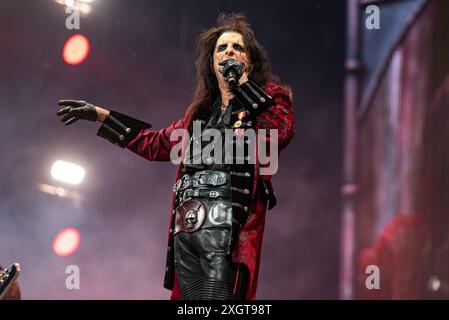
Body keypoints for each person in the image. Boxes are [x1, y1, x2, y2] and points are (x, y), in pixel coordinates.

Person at [56, 13, 294, 300]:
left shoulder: (268, 99)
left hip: (229, 236)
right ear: (212, 62)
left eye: (237, 48)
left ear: (250, 61)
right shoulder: (199, 116)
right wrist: (101, 116)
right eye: (222, 48)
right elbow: (156, 144)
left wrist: (242, 85)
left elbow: (280, 131)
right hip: (188, 233)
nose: (229, 51)